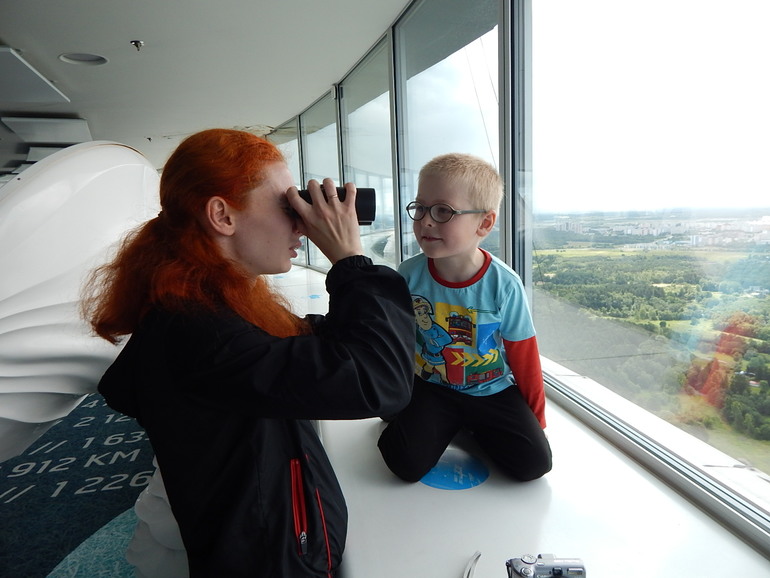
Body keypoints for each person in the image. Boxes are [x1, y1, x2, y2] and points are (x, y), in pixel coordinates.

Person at [81, 129, 415, 577]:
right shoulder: (200, 331)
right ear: (222, 215)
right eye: (287, 205)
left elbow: (310, 344)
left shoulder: (208, 303)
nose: (302, 223)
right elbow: (381, 383)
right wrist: (350, 260)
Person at [377, 153, 552, 483]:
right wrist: (393, 394)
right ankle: (442, 421)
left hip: (491, 389)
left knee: (533, 465)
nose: (426, 222)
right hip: (432, 386)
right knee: (404, 464)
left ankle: (467, 425)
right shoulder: (409, 274)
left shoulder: (504, 284)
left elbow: (524, 356)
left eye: (443, 211)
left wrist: (535, 422)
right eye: (420, 208)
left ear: (484, 224)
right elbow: (396, 339)